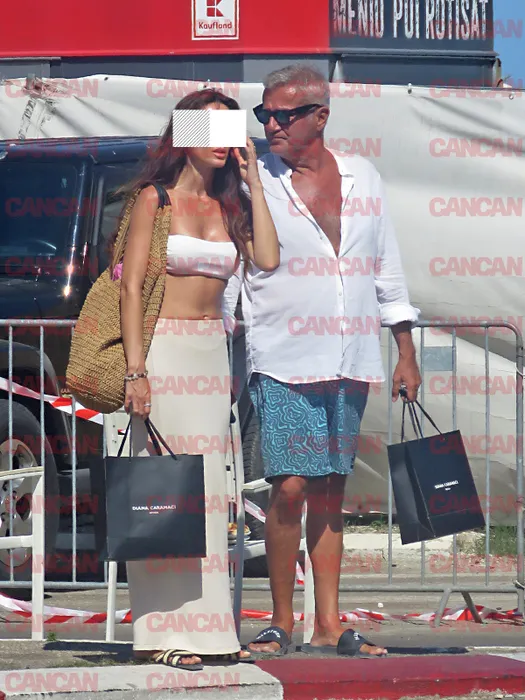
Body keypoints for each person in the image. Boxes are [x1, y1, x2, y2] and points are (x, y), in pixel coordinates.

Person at [223, 65, 422, 658]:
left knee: (331, 492)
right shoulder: (253, 176)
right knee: (289, 487)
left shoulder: (363, 176)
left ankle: (328, 623)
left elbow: (386, 267)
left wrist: (405, 350)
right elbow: (233, 268)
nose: (272, 125)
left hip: (350, 356)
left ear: (320, 116)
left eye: (284, 115)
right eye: (264, 114)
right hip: (281, 357)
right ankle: (281, 620)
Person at [112, 88, 279, 670]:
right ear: (184, 135)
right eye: (208, 131)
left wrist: (256, 182)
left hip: (212, 353)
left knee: (209, 498)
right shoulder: (153, 200)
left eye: (228, 132)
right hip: (162, 350)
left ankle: (211, 632)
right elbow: (131, 287)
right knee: (163, 491)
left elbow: (269, 259)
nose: (221, 144)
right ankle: (158, 633)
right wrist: (136, 371)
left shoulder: (230, 206)